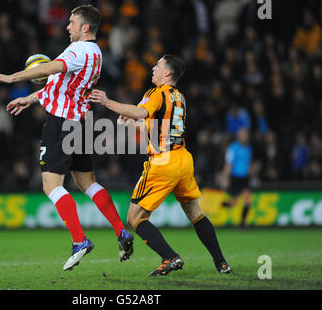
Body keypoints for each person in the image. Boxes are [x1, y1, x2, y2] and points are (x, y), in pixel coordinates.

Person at [0, 5, 134, 271]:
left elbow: (50, 69)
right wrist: (30, 99)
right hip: (81, 122)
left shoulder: (79, 50)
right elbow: (60, 84)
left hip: (62, 123)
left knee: (51, 185)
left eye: (72, 22)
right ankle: (121, 231)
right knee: (86, 182)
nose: (67, 27)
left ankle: (80, 241)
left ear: (85, 27)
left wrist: (12, 77)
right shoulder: (96, 54)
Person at [90, 55, 231, 277]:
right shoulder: (179, 97)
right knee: (195, 213)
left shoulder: (156, 93)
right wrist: (132, 123)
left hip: (163, 162)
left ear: (167, 73)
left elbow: (140, 112)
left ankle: (170, 257)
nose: (153, 68)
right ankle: (222, 263)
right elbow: (153, 129)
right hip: (183, 159)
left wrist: (108, 103)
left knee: (135, 218)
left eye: (158, 65)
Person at [221, 127, 253, 229]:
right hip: (235, 178)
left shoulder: (249, 148)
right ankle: (221, 205)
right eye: (243, 135)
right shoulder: (233, 148)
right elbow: (228, 163)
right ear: (239, 136)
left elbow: (247, 163)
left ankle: (242, 224)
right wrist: (225, 177)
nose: (245, 137)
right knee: (233, 203)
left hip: (245, 179)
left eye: (246, 135)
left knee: (248, 200)